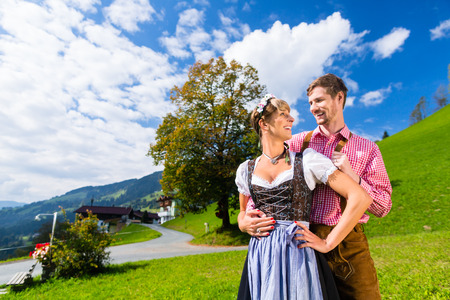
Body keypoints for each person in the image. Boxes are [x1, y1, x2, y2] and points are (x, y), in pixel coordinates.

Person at [239, 74, 392, 300]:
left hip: (348, 244)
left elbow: (382, 207)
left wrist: (353, 177)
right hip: (301, 243)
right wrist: (244, 221)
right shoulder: (296, 142)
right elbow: (260, 190)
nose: (313, 108)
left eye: (319, 100)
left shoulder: (366, 149)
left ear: (339, 98)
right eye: (310, 102)